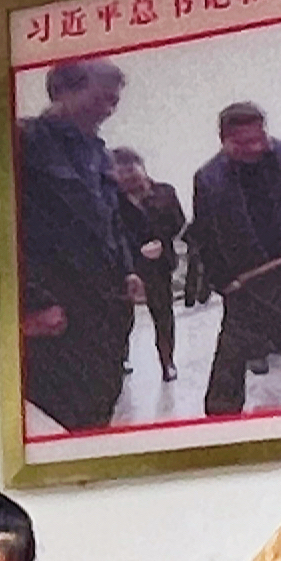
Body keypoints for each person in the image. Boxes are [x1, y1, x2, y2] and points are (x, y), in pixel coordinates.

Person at [16, 59, 137, 432]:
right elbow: (7, 234)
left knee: (97, 413)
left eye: (114, 101)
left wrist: (128, 270)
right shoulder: (22, 141)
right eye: (101, 98)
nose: (108, 108)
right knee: (60, 419)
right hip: (54, 314)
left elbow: (110, 221)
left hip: (102, 316)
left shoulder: (98, 153)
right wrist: (30, 304)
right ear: (63, 91)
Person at [189, 101, 281, 418]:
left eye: (259, 138)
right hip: (244, 284)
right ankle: (220, 427)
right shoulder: (208, 178)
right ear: (225, 140)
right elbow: (205, 235)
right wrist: (221, 280)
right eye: (244, 143)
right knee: (230, 360)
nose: (255, 148)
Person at [113, 147, 187, 387]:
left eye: (132, 171)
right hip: (124, 266)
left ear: (142, 167)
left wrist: (161, 241)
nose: (128, 177)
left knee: (163, 314)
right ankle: (120, 359)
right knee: (122, 316)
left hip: (158, 264)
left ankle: (168, 362)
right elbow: (111, 231)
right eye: (121, 172)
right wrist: (136, 250)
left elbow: (178, 222)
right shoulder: (110, 198)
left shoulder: (164, 192)